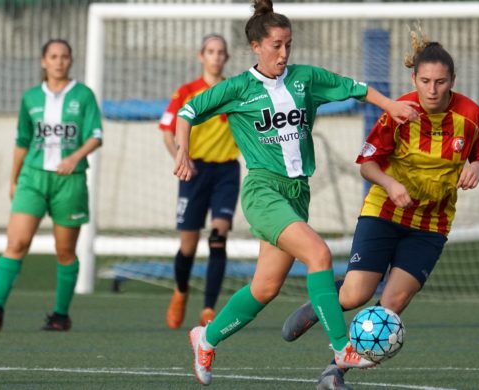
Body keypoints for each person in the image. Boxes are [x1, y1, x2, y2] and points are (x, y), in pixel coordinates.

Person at [173, 0, 419, 385]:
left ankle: (206, 336)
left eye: (288, 44)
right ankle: (342, 346)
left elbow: (354, 88)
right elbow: (187, 113)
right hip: (263, 190)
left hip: (296, 192)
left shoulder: (304, 79)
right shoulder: (238, 88)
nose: (284, 53)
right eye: (276, 45)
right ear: (256, 46)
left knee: (265, 287)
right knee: (319, 254)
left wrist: (391, 105)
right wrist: (182, 151)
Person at [281, 28, 479, 390]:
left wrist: (477, 168)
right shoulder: (399, 111)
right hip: (384, 212)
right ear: (414, 78)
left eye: (440, 82)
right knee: (355, 296)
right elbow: (367, 164)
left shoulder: (471, 116)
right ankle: (330, 295)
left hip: (431, 225)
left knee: (389, 308)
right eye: (425, 81)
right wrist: (391, 184)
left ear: (452, 82)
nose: (432, 89)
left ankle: (334, 372)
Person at [0, 39, 103, 332]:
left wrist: (75, 156)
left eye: (64, 56)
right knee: (17, 243)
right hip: (32, 178)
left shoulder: (84, 95)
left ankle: (61, 315)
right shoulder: (31, 98)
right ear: (43, 61)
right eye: (53, 56)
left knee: (64, 251)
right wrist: (14, 179)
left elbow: (96, 135)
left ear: (71, 61)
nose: (59, 61)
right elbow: (22, 142)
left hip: (69, 182)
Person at [159, 34, 240, 329]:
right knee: (188, 246)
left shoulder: (235, 91)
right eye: (211, 51)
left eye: (221, 52)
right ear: (201, 56)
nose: (216, 57)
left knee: (218, 237)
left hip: (227, 172)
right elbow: (168, 130)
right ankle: (181, 291)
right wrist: (182, 157)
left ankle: (208, 309)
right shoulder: (186, 92)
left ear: (227, 58)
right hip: (194, 172)